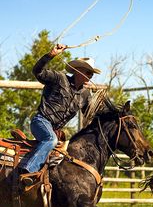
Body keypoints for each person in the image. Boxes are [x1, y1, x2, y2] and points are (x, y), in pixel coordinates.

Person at [20, 44, 101, 185]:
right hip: (41, 121)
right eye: (88, 72)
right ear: (78, 71)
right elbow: (37, 71)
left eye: (92, 73)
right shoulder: (59, 78)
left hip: (57, 131)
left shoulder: (85, 94)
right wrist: (50, 55)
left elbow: (92, 114)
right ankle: (27, 171)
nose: (91, 75)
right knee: (50, 140)